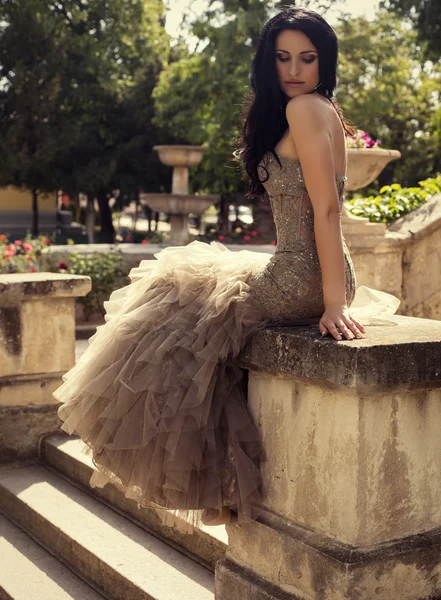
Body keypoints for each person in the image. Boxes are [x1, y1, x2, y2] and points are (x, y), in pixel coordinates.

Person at [53, 7, 400, 531]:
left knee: (174, 300)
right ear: (268, 61)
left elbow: (327, 211)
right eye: (283, 57)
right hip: (312, 271)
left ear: (324, 62)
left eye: (307, 58)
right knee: (193, 308)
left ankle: (213, 488)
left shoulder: (306, 109)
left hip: (302, 279)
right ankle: (217, 487)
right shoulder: (322, 108)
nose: (294, 69)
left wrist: (333, 305)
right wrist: (334, 292)